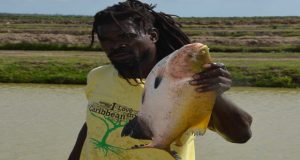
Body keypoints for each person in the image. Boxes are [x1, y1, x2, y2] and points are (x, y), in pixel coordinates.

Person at [68, 0, 252, 159]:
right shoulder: (98, 76)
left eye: (127, 36)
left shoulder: (185, 85)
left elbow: (241, 135)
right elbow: (91, 125)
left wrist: (214, 93)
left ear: (153, 35)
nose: (116, 45)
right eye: (106, 39)